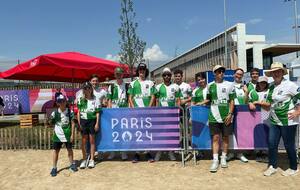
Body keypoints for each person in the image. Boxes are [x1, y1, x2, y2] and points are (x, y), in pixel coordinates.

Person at [263, 62, 300, 176]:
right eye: (274, 71)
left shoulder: (290, 85)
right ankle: (272, 166)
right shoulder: (271, 86)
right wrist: (257, 103)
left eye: (278, 71)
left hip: (288, 120)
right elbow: (268, 104)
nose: (276, 73)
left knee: (289, 145)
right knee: (272, 143)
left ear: (282, 72)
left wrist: (298, 111)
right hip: (274, 119)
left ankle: (293, 168)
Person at [205, 65, 235, 173]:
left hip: (226, 116)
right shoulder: (210, 86)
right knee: (216, 138)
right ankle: (215, 160)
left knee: (226, 137)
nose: (221, 73)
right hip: (213, 116)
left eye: (222, 71)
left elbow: (232, 101)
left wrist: (230, 113)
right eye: (218, 71)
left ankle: (223, 158)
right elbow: (208, 100)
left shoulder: (230, 84)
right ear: (214, 73)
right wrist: (197, 103)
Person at [128, 63, 156, 163]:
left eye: (143, 69)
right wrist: (133, 109)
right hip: (136, 113)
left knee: (147, 133)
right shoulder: (132, 83)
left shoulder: (151, 83)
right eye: (140, 69)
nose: (141, 71)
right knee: (137, 133)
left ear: (146, 71)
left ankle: (148, 152)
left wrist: (149, 108)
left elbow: (153, 96)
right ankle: (136, 153)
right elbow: (130, 98)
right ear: (138, 71)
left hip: (147, 112)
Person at [154, 67, 180, 161]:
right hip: (161, 115)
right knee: (160, 135)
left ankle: (170, 152)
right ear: (162, 76)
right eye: (165, 75)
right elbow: (156, 100)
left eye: (168, 75)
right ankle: (159, 152)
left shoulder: (175, 87)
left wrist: (177, 111)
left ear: (170, 76)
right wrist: (156, 113)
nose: (166, 76)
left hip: (172, 115)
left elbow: (178, 100)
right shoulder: (158, 87)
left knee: (170, 135)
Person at [49, 95, 77, 177]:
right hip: (57, 135)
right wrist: (49, 122)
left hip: (67, 134)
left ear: (66, 101)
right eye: (60, 101)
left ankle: (72, 164)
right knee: (55, 151)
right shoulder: (55, 113)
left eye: (63, 101)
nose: (62, 103)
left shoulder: (70, 112)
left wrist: (72, 134)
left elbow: (72, 123)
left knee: (70, 150)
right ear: (57, 103)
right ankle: (54, 168)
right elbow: (51, 123)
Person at [227, 68, 249, 163]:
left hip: (241, 111)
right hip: (231, 111)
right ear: (234, 75)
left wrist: (246, 92)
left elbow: (246, 102)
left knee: (241, 132)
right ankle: (231, 152)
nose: (238, 76)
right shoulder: (229, 85)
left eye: (240, 74)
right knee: (230, 132)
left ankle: (240, 153)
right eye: (237, 74)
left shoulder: (244, 86)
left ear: (242, 76)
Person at [107, 67, 128, 161]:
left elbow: (129, 99)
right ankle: (112, 152)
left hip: (124, 113)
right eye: (117, 74)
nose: (118, 76)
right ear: (115, 75)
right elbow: (109, 101)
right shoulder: (111, 87)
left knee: (123, 133)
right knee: (114, 133)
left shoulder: (127, 86)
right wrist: (110, 112)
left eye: (120, 74)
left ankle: (123, 152)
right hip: (114, 114)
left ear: (122, 75)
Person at [77, 82, 100, 169]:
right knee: (83, 142)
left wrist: (97, 123)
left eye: (89, 88)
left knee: (92, 141)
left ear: (91, 89)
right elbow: (78, 112)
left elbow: (97, 113)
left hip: (92, 121)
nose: (87, 90)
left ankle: (92, 160)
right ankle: (84, 159)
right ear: (83, 90)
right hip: (83, 121)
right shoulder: (80, 99)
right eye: (85, 88)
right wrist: (79, 124)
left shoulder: (95, 99)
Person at [248, 76, 270, 163]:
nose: (263, 84)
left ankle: (265, 153)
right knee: (257, 134)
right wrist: (249, 103)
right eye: (261, 82)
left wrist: (257, 102)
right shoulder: (252, 92)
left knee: (265, 134)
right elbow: (248, 101)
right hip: (255, 117)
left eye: (264, 82)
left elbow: (268, 104)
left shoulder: (269, 91)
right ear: (258, 83)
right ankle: (258, 153)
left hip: (266, 116)